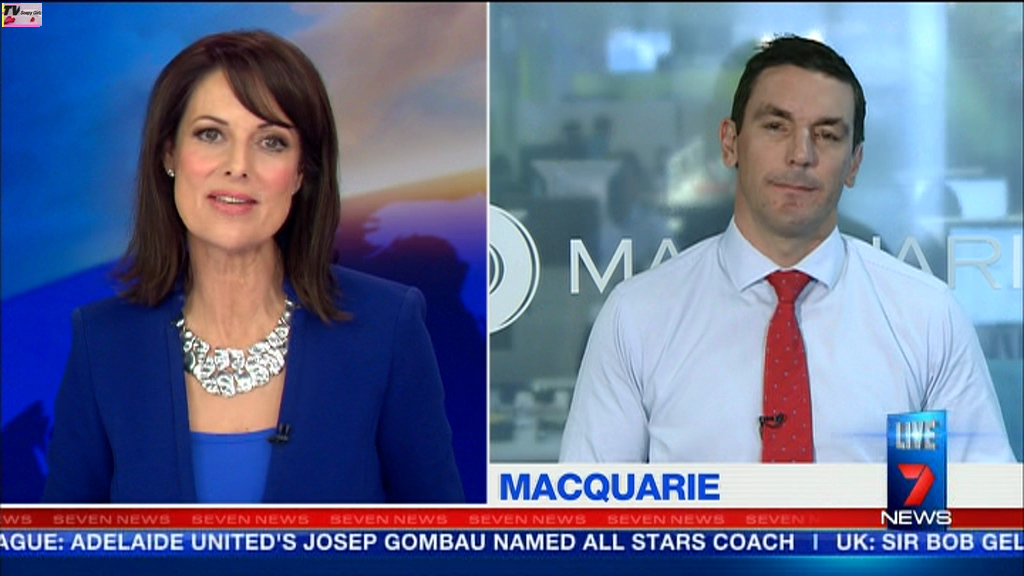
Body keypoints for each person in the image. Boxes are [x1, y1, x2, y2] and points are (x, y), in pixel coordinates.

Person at [42, 30, 465, 502]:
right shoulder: (104, 344)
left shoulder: (385, 328)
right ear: (169, 154)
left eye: (271, 142)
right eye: (211, 135)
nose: (238, 165)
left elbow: (439, 537)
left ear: (301, 172)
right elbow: (62, 541)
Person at [560, 35, 1015, 463]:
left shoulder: (927, 317)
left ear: (854, 163)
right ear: (730, 143)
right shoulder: (637, 318)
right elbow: (587, 512)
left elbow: (984, 506)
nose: (801, 154)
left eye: (828, 134)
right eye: (776, 127)